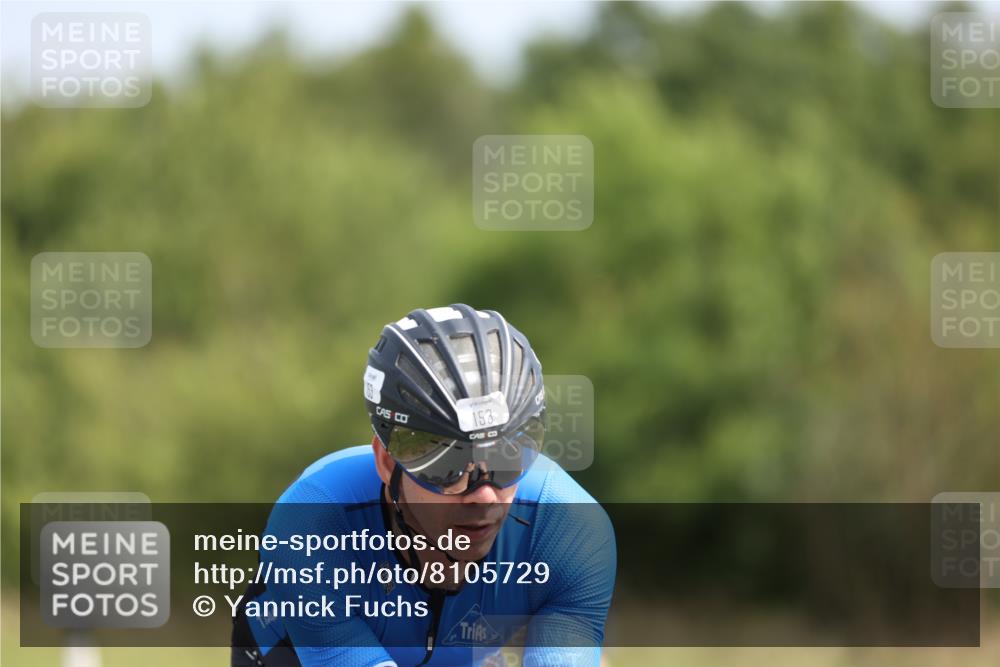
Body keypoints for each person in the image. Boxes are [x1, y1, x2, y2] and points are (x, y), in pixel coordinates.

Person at [231, 305, 615, 666]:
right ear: (386, 461)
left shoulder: (569, 529)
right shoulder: (312, 519)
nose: (483, 496)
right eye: (448, 466)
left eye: (507, 459)